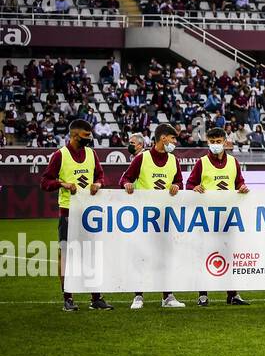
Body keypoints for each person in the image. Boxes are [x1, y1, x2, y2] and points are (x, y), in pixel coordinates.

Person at [39, 119, 110, 311]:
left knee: (93, 255)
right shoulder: (59, 155)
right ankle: (68, 298)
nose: (89, 138)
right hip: (68, 213)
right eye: (86, 135)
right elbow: (45, 182)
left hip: (89, 214)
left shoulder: (91, 154)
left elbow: (101, 176)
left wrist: (99, 184)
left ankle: (96, 298)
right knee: (67, 256)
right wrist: (62, 184)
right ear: (74, 135)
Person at [121, 123, 185, 309]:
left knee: (165, 256)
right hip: (144, 217)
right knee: (142, 255)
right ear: (163, 138)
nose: (175, 142)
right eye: (173, 138)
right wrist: (127, 185)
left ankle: (167, 296)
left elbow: (179, 181)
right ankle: (138, 296)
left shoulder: (173, 160)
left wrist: (177, 186)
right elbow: (125, 178)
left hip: (166, 218)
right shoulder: (142, 158)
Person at [187, 127, 250, 307]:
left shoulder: (233, 162)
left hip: (228, 217)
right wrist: (194, 188)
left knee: (229, 255)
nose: (215, 145)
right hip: (207, 218)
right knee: (204, 255)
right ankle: (203, 294)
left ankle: (232, 294)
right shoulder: (202, 162)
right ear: (208, 142)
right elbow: (190, 183)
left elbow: (239, 182)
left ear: (225, 141)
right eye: (212, 142)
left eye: (218, 141)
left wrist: (243, 187)